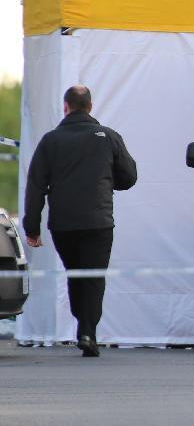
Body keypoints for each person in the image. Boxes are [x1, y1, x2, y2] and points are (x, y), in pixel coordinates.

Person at [23, 85, 137, 357]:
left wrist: (32, 227)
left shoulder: (50, 141)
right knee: (94, 277)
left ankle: (83, 327)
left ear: (66, 107)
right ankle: (88, 330)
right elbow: (130, 176)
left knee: (76, 275)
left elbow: (35, 185)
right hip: (98, 221)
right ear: (90, 106)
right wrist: (109, 182)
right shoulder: (108, 137)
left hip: (63, 224)